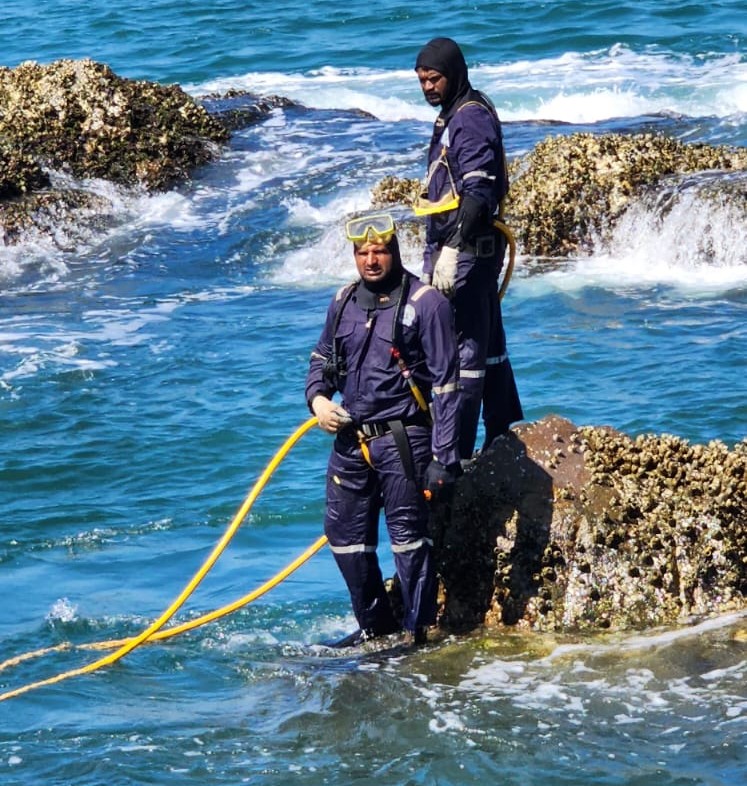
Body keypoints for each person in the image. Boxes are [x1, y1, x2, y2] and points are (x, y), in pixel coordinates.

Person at [306, 212, 461, 647]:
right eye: (362, 253)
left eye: (379, 251)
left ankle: (418, 636)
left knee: (409, 544)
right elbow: (321, 361)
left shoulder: (426, 303)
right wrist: (318, 400)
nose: (371, 260)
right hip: (350, 442)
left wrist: (443, 460)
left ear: (395, 251)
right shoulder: (343, 301)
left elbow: (449, 387)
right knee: (345, 543)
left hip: (403, 440)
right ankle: (378, 632)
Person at [414, 36, 523, 459]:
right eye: (422, 80)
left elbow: (479, 192)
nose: (427, 87)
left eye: (434, 78)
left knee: (460, 354)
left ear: (454, 74)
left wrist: (453, 249)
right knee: (488, 343)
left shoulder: (470, 119)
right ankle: (502, 432)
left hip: (467, 254)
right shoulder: (452, 114)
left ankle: (454, 458)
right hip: (462, 249)